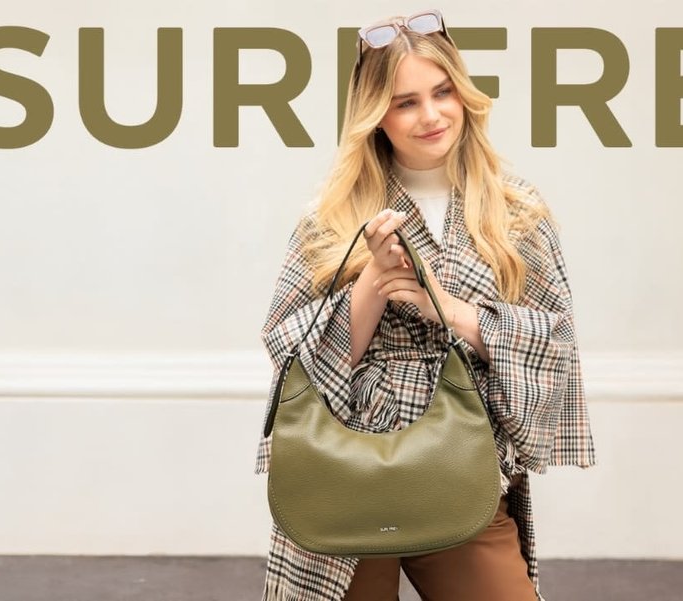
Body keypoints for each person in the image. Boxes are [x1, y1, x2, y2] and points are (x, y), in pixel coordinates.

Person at [254, 9, 595, 600]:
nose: (431, 115)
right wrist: (371, 286)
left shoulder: (516, 212)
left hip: (460, 466)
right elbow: (288, 356)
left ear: (464, 94)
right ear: (374, 115)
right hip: (342, 472)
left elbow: (555, 342)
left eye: (442, 92)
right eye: (405, 101)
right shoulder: (329, 217)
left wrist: (450, 310)